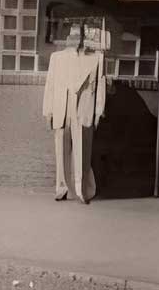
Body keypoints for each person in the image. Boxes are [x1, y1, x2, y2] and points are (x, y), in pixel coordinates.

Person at [43, 22, 107, 204]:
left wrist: (98, 112)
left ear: (84, 39)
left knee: (83, 151)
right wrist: (48, 111)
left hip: (84, 108)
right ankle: (61, 188)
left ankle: (82, 189)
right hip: (61, 107)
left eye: (79, 36)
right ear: (67, 38)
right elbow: (51, 85)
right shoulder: (57, 58)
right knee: (61, 149)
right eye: (72, 36)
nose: (75, 40)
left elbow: (100, 87)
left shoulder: (96, 59)